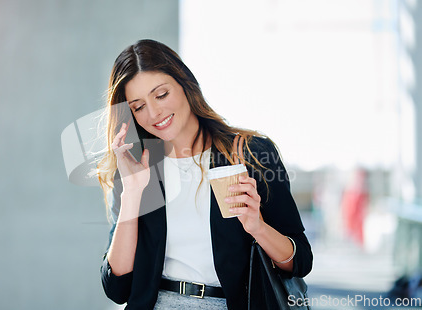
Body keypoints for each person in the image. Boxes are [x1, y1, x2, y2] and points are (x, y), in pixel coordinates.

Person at [97, 39, 313, 309]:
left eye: (161, 95)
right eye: (138, 106)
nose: (154, 113)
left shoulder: (250, 153)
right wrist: (132, 193)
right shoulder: (139, 167)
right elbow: (117, 288)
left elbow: (300, 260)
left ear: (185, 84)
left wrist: (257, 227)